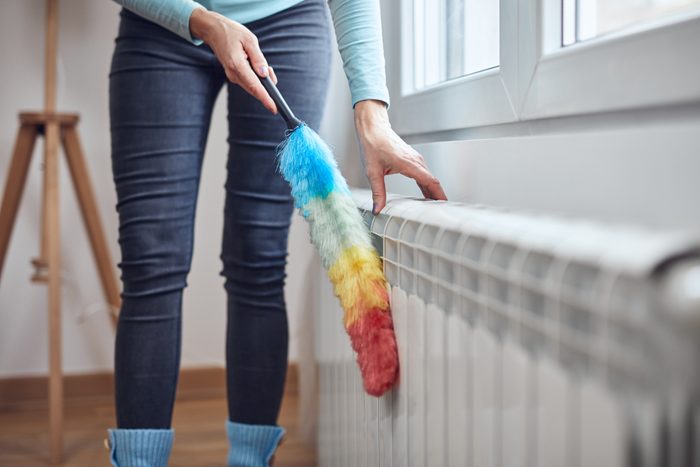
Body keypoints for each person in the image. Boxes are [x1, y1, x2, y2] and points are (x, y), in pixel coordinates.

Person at [104, 0, 447, 465]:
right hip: (159, 29)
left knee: (258, 258)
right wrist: (201, 20)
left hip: (285, 23)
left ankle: (250, 459)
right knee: (151, 263)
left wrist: (373, 115)